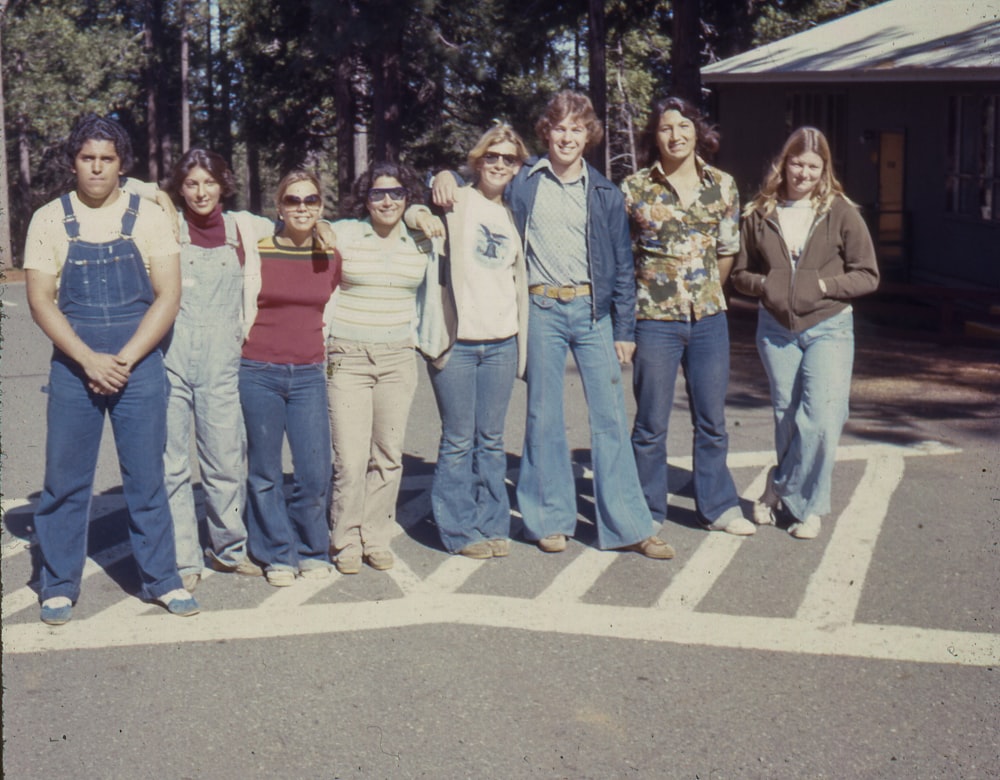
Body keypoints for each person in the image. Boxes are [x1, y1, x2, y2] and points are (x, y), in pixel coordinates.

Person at [434, 91, 672, 559]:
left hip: (591, 312)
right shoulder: (525, 181)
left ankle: (628, 523)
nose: (567, 137)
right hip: (540, 308)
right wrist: (441, 174)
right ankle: (549, 518)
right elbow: (478, 181)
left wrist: (624, 328)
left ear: (589, 136)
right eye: (559, 128)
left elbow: (623, 264)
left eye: (577, 129)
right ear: (547, 132)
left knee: (609, 416)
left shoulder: (604, 191)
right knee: (543, 415)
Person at [23, 114, 199, 624]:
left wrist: (124, 359)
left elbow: (168, 296)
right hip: (75, 365)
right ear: (74, 162)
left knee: (146, 477)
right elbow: (39, 300)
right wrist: (88, 359)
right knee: (65, 479)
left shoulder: (147, 216)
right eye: (87, 158)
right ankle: (57, 584)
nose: (96, 168)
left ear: (122, 165)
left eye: (107, 159)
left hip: (137, 364)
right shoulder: (48, 219)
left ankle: (162, 578)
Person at [732, 126, 879, 539]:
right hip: (776, 329)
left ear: (824, 168)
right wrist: (766, 286)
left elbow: (868, 274)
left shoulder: (841, 212)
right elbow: (741, 274)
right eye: (797, 163)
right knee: (788, 417)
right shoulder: (758, 212)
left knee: (823, 417)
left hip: (828, 325)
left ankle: (794, 499)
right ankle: (793, 497)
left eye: (813, 166)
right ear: (784, 163)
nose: (803, 173)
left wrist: (824, 286)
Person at [621, 96, 756, 537]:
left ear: (698, 131)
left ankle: (717, 507)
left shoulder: (723, 185)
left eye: (683, 126)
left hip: (708, 320)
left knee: (712, 420)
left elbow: (727, 251)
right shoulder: (635, 188)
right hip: (654, 320)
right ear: (653, 136)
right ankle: (646, 510)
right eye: (665, 128)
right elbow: (623, 256)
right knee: (650, 423)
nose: (675, 135)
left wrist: (705, 292)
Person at [414, 124, 530, 559]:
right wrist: (439, 175)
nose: (500, 164)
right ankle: (459, 531)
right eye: (492, 156)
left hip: (502, 340)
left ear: (519, 167)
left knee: (492, 438)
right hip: (458, 342)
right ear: (478, 160)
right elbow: (411, 212)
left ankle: (492, 523)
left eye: (509, 158)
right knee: (459, 438)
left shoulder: (515, 211)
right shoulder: (456, 199)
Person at [159, 149, 271, 592]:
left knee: (225, 458)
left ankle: (228, 550)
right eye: (191, 184)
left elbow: (298, 218)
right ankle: (184, 558)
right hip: (170, 358)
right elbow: (130, 190)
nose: (201, 192)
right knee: (171, 464)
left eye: (209, 183)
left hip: (223, 362)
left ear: (224, 184)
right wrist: (158, 195)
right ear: (179, 189)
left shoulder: (245, 227)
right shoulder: (167, 227)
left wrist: (319, 223)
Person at [326, 161, 441, 574]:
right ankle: (344, 539)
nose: (387, 200)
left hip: (397, 357)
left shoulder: (422, 239)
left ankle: (375, 536)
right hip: (347, 356)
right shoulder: (345, 233)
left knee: (388, 455)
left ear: (407, 198)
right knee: (351, 459)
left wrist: (420, 213)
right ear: (366, 198)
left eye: (396, 193)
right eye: (378, 193)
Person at [240, 170, 341, 585]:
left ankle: (312, 547)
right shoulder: (257, 249)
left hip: (309, 373)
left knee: (314, 470)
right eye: (294, 201)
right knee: (265, 470)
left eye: (311, 200)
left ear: (320, 206)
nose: (303, 207)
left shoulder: (332, 253)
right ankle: (276, 553)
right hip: (259, 370)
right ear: (279, 207)